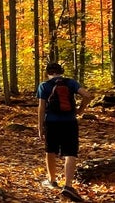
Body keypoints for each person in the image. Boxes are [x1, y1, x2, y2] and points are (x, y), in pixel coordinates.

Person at [37, 63, 93, 202]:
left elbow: (41, 107)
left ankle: (52, 180)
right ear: (61, 72)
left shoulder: (44, 85)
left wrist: (40, 127)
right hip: (70, 122)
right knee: (70, 152)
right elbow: (87, 95)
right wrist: (80, 110)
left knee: (50, 150)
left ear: (47, 72)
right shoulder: (71, 83)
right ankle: (68, 185)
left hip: (52, 122)